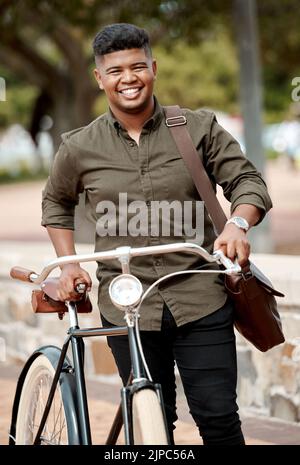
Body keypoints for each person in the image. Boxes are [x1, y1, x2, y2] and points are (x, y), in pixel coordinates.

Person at [41, 23, 272, 445]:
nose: (128, 78)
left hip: (201, 296)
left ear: (153, 68)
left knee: (219, 419)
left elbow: (247, 181)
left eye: (137, 66)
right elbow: (56, 202)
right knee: (151, 426)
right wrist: (70, 261)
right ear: (99, 78)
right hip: (125, 305)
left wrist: (238, 224)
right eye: (115, 71)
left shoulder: (198, 128)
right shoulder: (79, 146)